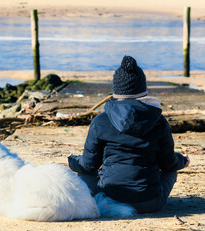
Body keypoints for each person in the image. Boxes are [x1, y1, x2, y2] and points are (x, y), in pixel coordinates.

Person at [68, 55, 190, 213]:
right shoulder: (159, 121)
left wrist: (72, 161)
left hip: (108, 199)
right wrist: (182, 160)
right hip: (150, 202)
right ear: (143, 91)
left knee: (84, 173)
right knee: (171, 170)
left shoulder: (100, 121)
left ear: (117, 90)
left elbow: (88, 165)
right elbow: (168, 163)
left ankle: (116, 202)